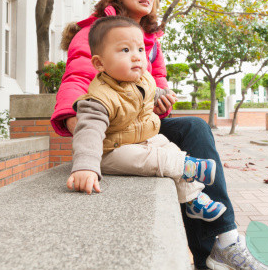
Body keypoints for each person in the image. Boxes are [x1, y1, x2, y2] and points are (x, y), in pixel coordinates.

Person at [51, 0, 264, 270]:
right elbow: (78, 78)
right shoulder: (96, 31)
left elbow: (158, 83)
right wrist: (79, 122)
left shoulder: (150, 41)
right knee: (188, 142)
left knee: (195, 128)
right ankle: (213, 249)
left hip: (141, 123)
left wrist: (163, 99)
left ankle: (225, 239)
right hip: (113, 126)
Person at [69, 15, 227, 222]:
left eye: (141, 50)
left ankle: (193, 200)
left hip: (143, 137)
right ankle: (186, 166)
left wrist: (164, 95)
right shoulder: (98, 99)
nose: (136, 57)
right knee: (150, 159)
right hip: (111, 151)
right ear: (100, 63)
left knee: (168, 147)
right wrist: (85, 166)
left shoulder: (142, 79)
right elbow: (89, 132)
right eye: (126, 50)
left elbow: (151, 91)